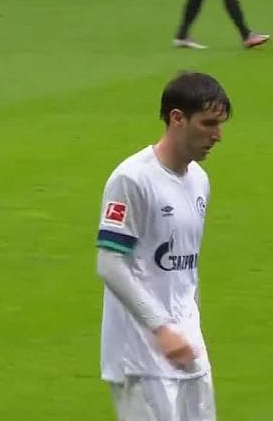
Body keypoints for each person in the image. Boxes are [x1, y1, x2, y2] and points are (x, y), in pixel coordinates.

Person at [96, 72, 231, 420]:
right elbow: (109, 262)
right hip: (139, 356)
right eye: (208, 124)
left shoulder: (199, 180)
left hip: (188, 347)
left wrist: (190, 328)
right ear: (177, 118)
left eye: (220, 124)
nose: (217, 135)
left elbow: (187, 268)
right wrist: (161, 328)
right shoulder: (132, 179)